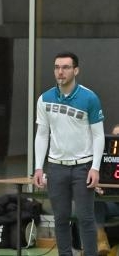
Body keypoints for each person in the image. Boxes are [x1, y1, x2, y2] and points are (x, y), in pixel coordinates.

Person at [33, 51, 105, 256]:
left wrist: (95, 168)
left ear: (76, 70)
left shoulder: (89, 98)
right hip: (56, 168)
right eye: (57, 67)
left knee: (86, 218)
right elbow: (42, 134)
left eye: (65, 67)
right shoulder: (44, 99)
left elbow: (98, 136)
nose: (60, 72)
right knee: (61, 219)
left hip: (83, 167)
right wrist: (39, 167)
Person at [93, 123, 119, 255]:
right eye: (115, 137)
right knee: (92, 199)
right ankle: (100, 239)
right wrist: (96, 187)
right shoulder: (101, 159)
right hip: (109, 204)